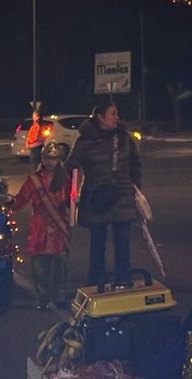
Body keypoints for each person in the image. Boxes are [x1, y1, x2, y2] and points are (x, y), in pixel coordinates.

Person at [64, 102, 142, 287]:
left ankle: (123, 279)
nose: (117, 117)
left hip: (122, 195)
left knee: (122, 242)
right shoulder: (85, 141)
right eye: (113, 113)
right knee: (97, 243)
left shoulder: (124, 138)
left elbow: (135, 164)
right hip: (96, 197)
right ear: (100, 116)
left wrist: (135, 188)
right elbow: (71, 165)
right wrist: (71, 193)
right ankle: (96, 281)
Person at [10, 141, 72, 310]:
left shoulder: (66, 178)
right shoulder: (34, 180)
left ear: (59, 160)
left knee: (59, 263)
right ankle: (43, 297)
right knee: (40, 265)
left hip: (59, 224)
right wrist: (10, 201)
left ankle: (59, 296)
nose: (50, 162)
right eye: (47, 158)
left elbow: (71, 200)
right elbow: (21, 199)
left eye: (53, 158)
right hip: (40, 224)